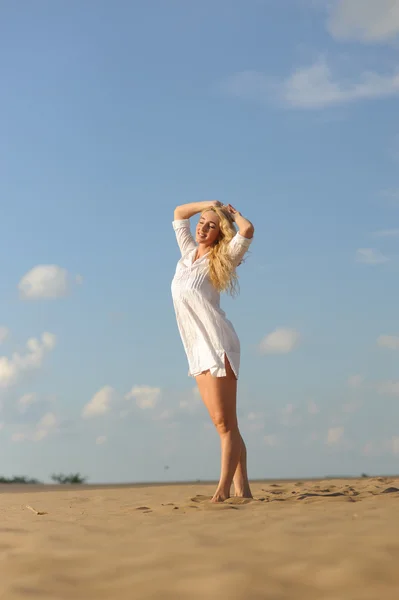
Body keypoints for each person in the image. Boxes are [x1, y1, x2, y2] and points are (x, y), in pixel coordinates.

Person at [171, 200, 255, 502]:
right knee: (224, 424)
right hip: (196, 348)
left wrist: (232, 214)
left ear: (220, 233)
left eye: (211, 225)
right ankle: (242, 489)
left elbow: (246, 230)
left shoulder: (224, 257)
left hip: (218, 344)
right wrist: (209, 204)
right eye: (202, 222)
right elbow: (180, 213)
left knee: (224, 423)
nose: (203, 227)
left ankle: (222, 491)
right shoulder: (186, 256)